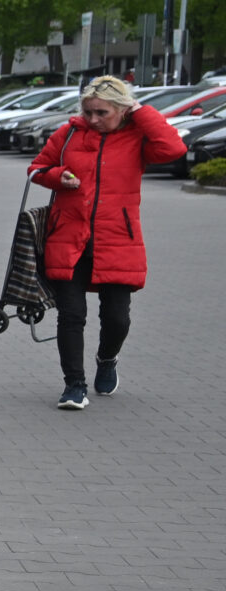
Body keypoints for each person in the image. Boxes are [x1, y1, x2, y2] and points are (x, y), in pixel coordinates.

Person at [28, 76, 185, 408]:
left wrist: (140, 111)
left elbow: (173, 149)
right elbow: (37, 168)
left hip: (117, 239)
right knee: (71, 316)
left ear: (122, 109)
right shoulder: (69, 134)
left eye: (102, 112)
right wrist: (58, 176)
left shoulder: (136, 137)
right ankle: (74, 386)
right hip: (68, 238)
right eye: (88, 112)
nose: (94, 119)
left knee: (117, 319)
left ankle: (107, 357)